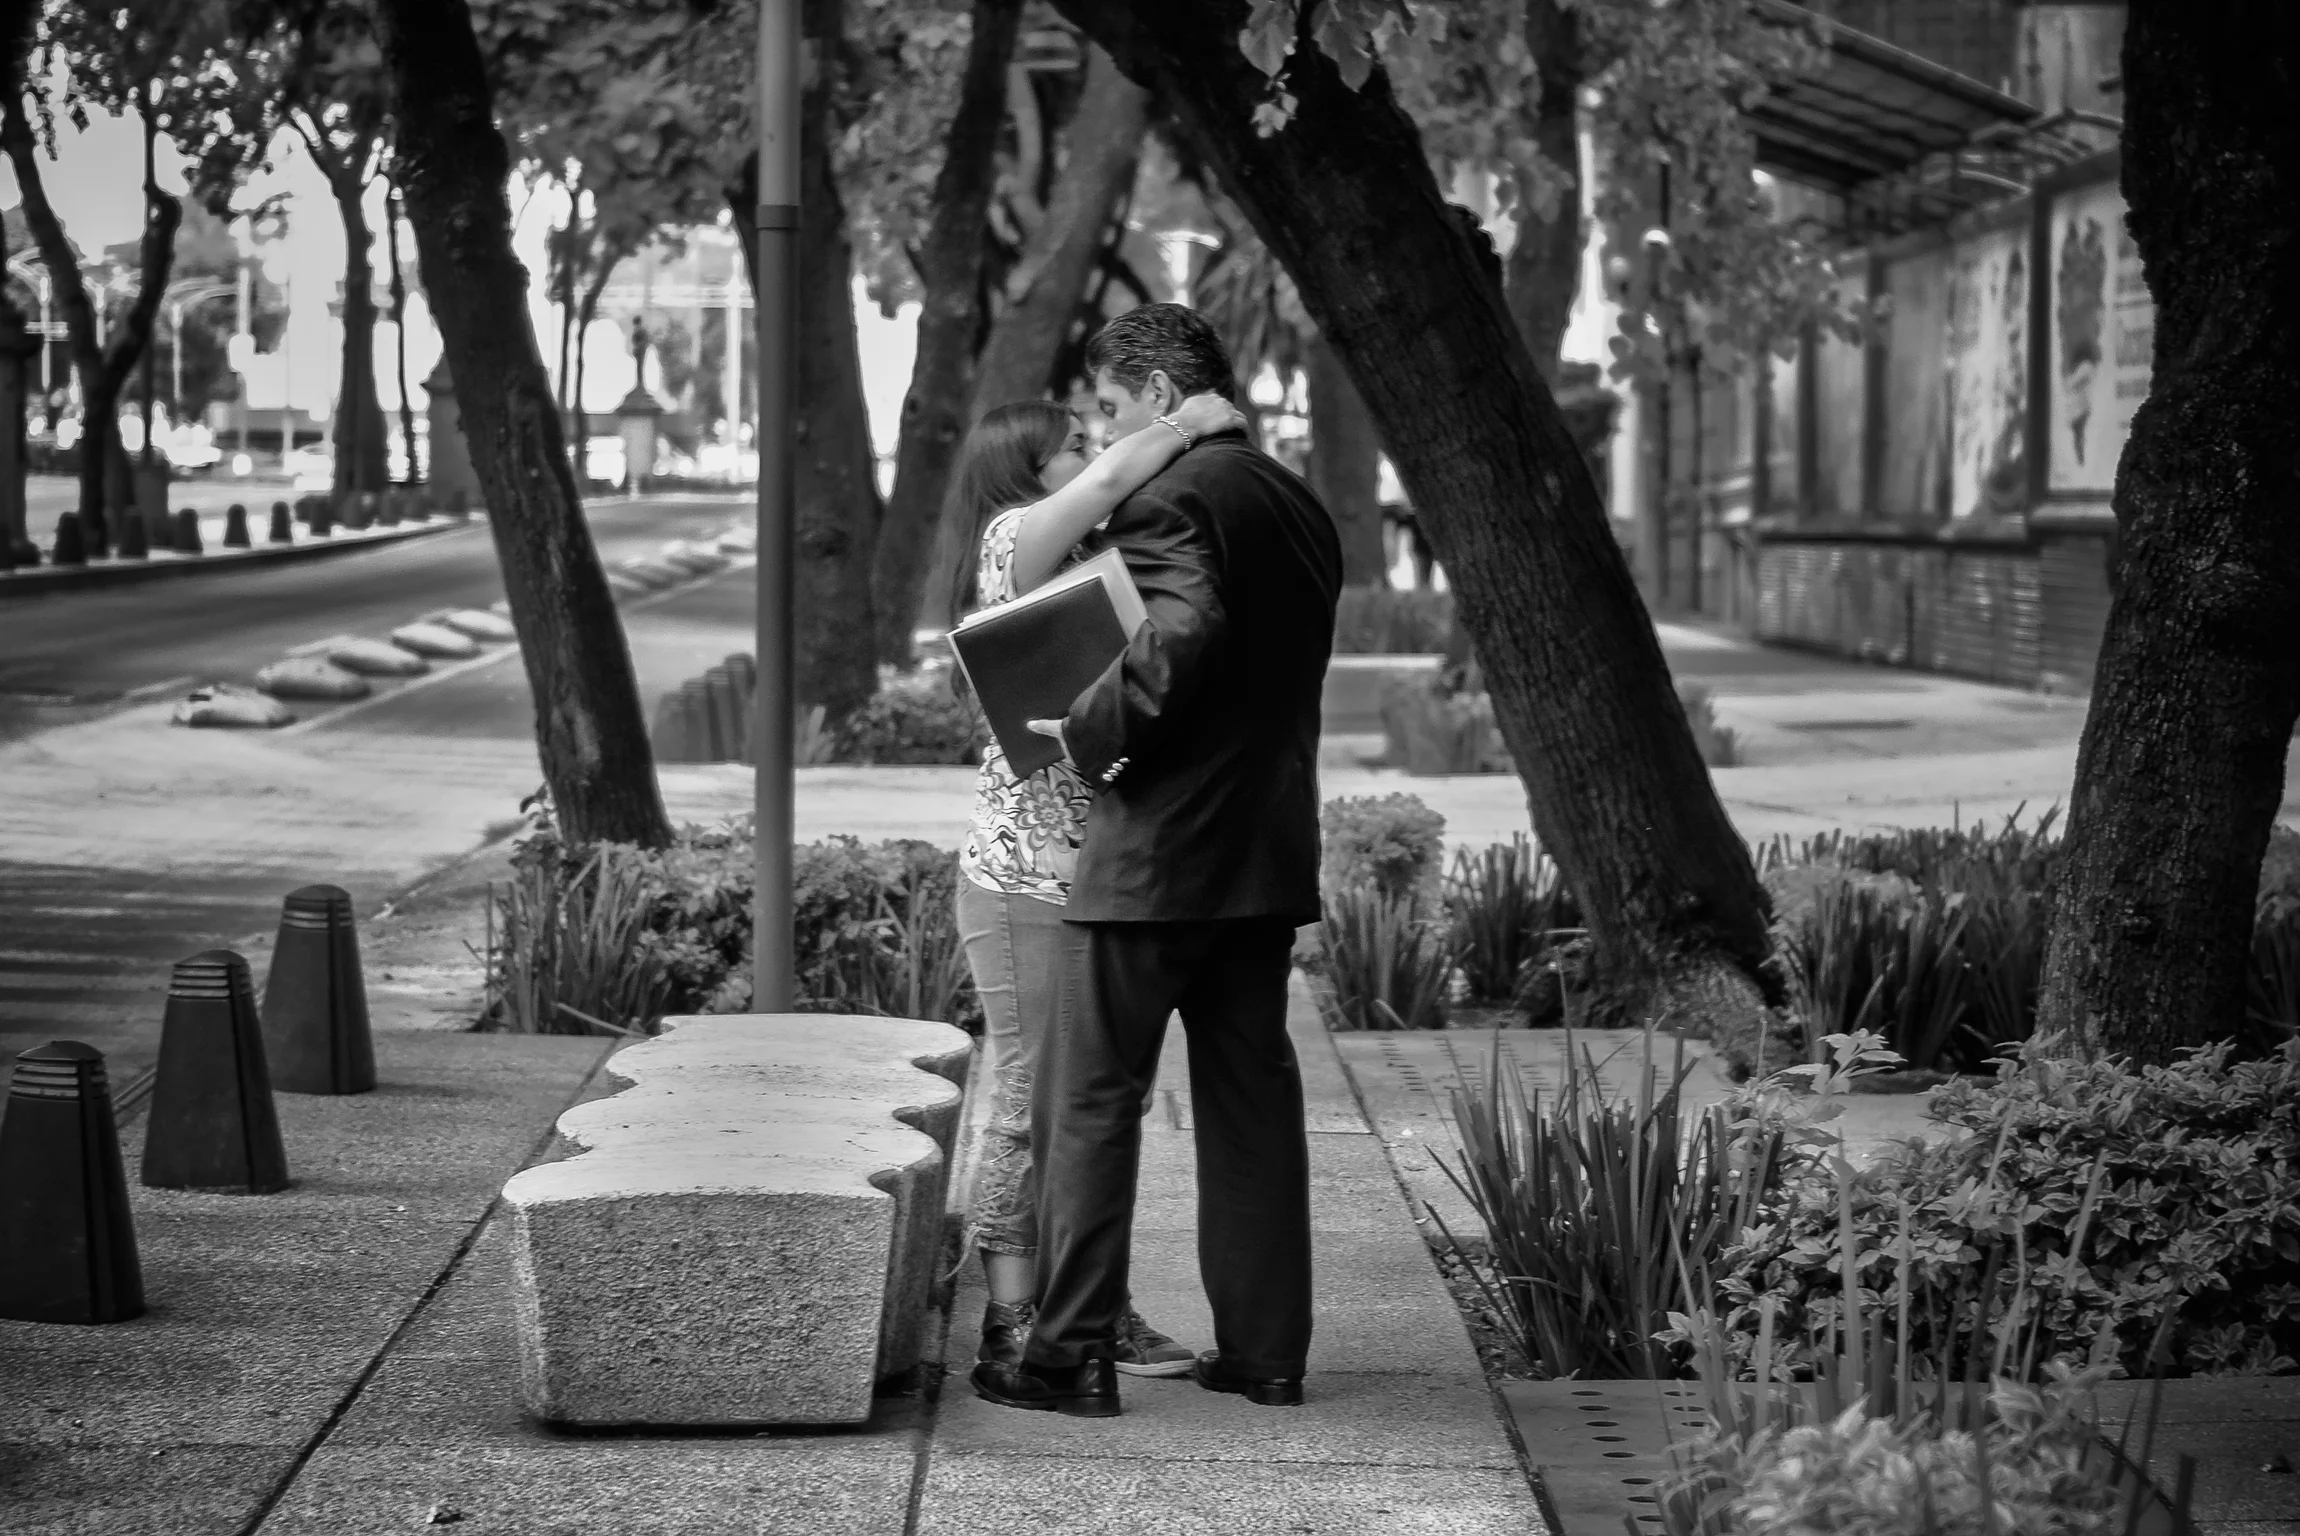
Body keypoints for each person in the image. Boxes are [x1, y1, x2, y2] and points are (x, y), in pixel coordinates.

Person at [971, 303, 1343, 1419]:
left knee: (1086, 1104)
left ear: (1162, 398)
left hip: (1151, 860)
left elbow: (1179, 637)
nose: (1102, 429)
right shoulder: (1295, 501)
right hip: (1260, 856)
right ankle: (1267, 1358)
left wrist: (1086, 727)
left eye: (1109, 406)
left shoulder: (1171, 497)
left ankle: (1067, 1357)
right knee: (1251, 1107)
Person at [948, 387, 1249, 1382]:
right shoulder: (1010, 542)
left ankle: (1090, 1305)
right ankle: (1009, 1321)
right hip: (1021, 882)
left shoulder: (1095, 563)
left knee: (1088, 1103)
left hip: (1096, 878)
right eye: (1071, 446)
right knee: (1028, 1096)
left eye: (1091, 439)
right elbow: (1117, 475)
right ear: (1024, 471)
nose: (1094, 452)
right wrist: (1189, 420)